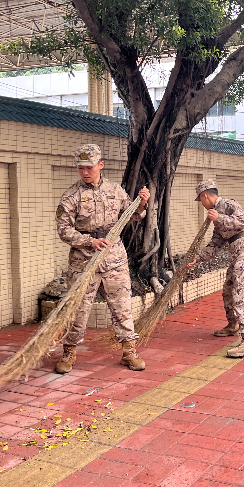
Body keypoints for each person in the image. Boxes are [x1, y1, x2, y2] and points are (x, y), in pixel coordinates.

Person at [55, 144, 150, 374]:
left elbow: (134, 215)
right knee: (77, 308)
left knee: (122, 306)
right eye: (80, 168)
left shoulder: (115, 191)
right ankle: (69, 352)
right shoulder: (71, 196)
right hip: (84, 259)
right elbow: (63, 230)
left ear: (101, 165)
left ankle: (129, 351)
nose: (85, 172)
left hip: (114, 257)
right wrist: (89, 241)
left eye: (89, 167)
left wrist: (143, 202)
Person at [187, 180, 244, 358]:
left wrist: (219, 218)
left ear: (205, 196)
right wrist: (198, 258)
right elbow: (216, 243)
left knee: (242, 295)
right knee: (228, 290)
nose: (202, 205)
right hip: (237, 254)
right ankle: (233, 325)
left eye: (201, 200)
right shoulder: (215, 215)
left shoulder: (228, 204)